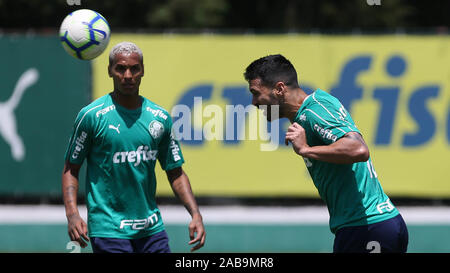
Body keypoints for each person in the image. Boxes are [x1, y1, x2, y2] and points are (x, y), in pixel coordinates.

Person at [243, 54, 408, 253]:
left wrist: (306, 150)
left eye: (255, 93)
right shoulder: (313, 108)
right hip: (366, 226)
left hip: (367, 227)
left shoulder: (313, 112)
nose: (253, 102)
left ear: (279, 89)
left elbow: (359, 149)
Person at [62, 41, 206, 253]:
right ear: (110, 71)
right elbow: (71, 168)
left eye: (134, 68)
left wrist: (195, 214)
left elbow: (175, 172)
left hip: (151, 229)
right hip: (108, 229)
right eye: (120, 68)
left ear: (142, 71)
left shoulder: (160, 119)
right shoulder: (91, 116)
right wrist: (72, 214)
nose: (127, 75)